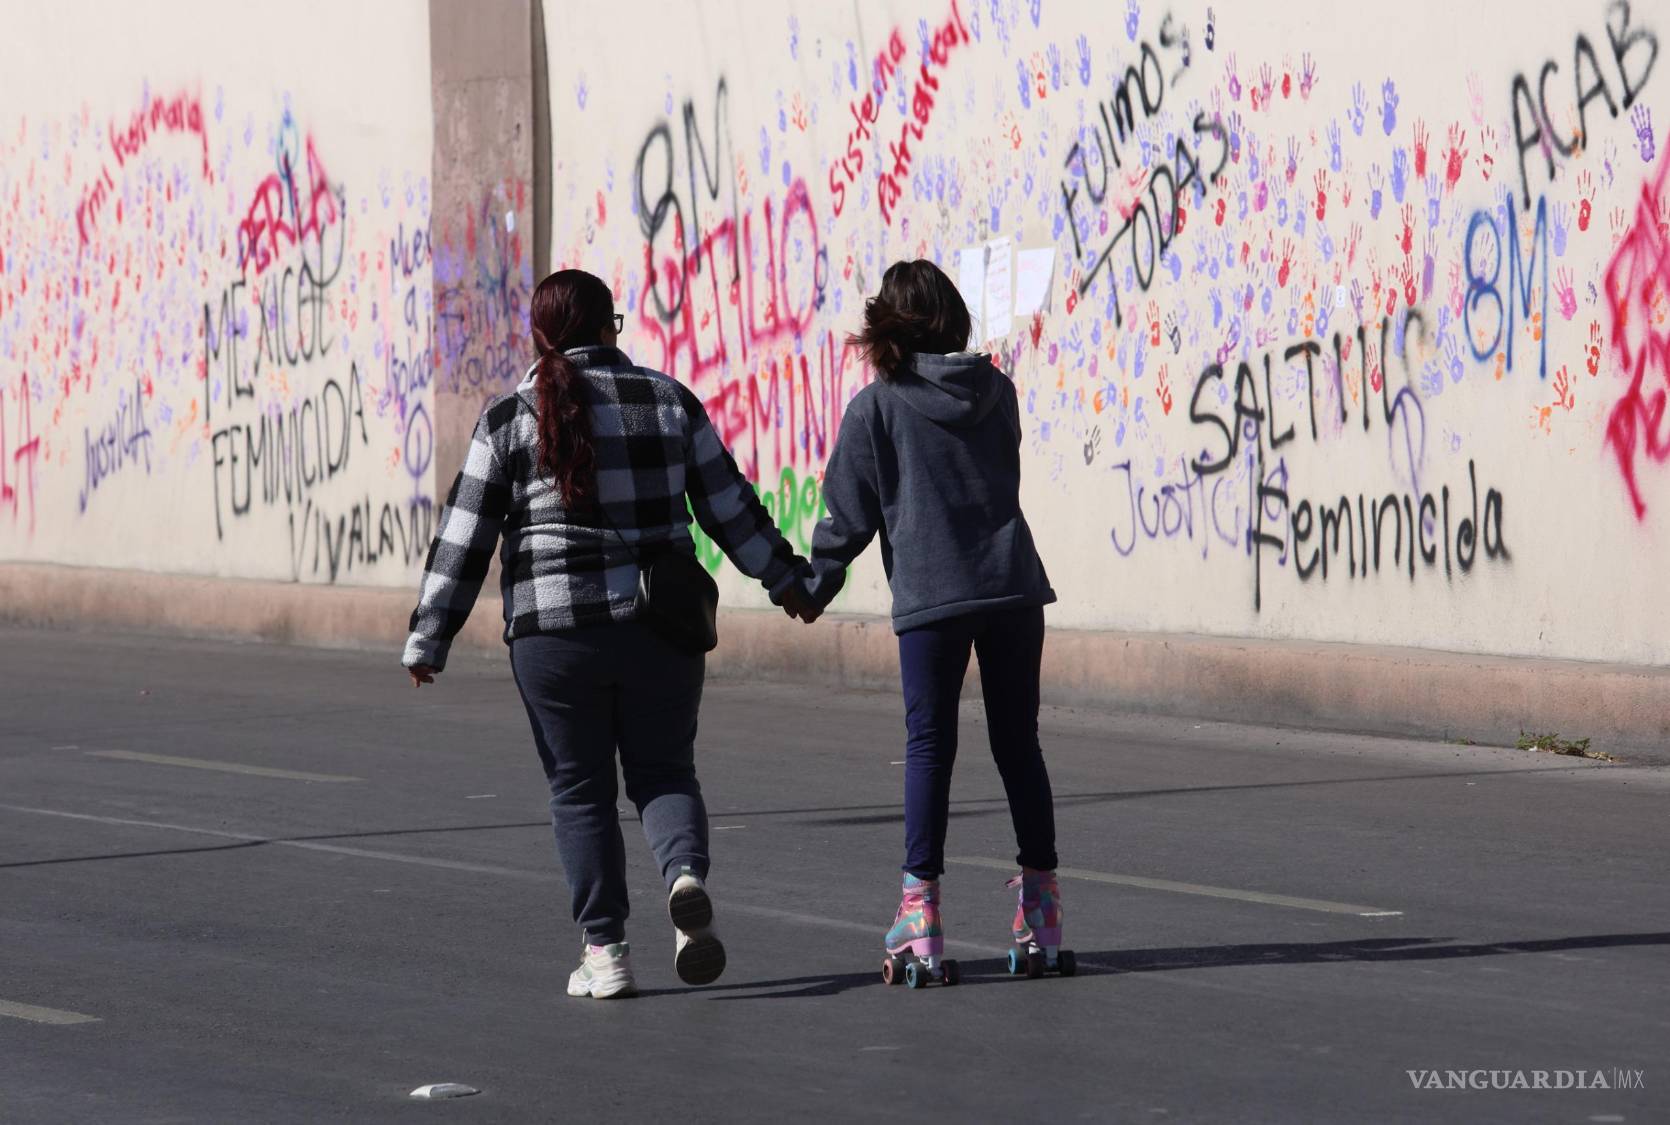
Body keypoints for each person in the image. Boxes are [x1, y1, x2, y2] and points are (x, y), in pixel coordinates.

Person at [403, 269, 814, 999]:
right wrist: (787, 581)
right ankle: (684, 879)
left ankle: (607, 951)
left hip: (553, 637)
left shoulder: (508, 418)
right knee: (663, 772)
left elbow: (463, 538)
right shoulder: (667, 400)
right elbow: (730, 507)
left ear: (538, 336)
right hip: (662, 625)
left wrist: (428, 637)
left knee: (580, 790)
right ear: (609, 329)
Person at [790, 259, 1065, 980]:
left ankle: (921, 920)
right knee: (1018, 746)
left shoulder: (877, 408)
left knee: (929, 749)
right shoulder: (998, 391)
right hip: (1012, 590)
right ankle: (1043, 917)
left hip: (933, 598)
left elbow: (847, 519)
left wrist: (812, 588)